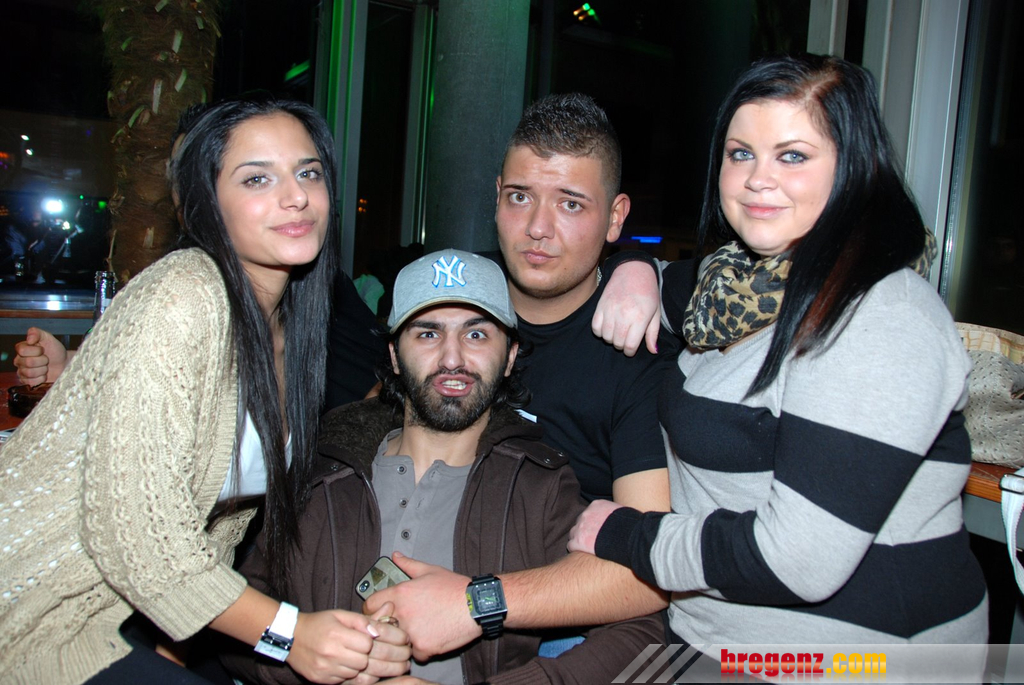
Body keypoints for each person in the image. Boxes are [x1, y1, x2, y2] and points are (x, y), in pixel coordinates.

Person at [567, 53, 988, 657]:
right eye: (741, 154)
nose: (757, 179)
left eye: (793, 156)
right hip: (710, 640)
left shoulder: (882, 316)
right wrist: (633, 267)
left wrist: (627, 534)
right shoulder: (734, 287)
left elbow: (796, 561)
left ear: (854, 166)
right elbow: (665, 280)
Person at [0, 96, 410, 685]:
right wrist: (290, 633)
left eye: (309, 172)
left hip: (137, 614)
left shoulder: (291, 325)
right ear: (205, 204)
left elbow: (213, 527)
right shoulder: (183, 295)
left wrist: (183, 643)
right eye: (257, 178)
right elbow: (140, 537)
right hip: (39, 612)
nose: (296, 196)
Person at [222, 249, 664, 685]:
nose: (452, 359)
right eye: (428, 334)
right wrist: (296, 659)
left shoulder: (537, 488)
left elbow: (641, 632)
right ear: (395, 355)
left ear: (510, 356)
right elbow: (231, 621)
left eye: (477, 335)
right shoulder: (321, 473)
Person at [363, 93, 681, 662]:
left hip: (547, 604)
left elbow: (647, 571)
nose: (537, 228)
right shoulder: (454, 297)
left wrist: (475, 602)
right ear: (496, 198)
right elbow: (363, 432)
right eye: (519, 197)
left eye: (571, 204)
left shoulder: (636, 353)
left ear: (615, 218)